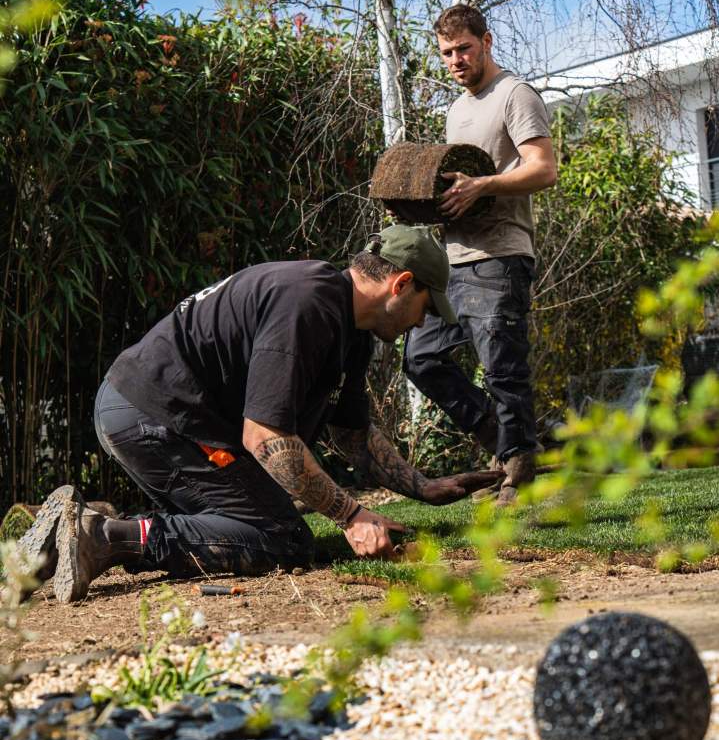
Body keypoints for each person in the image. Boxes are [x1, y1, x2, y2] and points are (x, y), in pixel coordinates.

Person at [21, 225, 499, 604]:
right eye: (424, 308)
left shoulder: (351, 327)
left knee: (256, 513)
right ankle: (102, 534)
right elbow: (265, 436)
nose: (421, 321)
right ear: (402, 283)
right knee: (279, 537)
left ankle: (51, 548)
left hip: (168, 417)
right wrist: (352, 516)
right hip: (153, 416)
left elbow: (352, 435)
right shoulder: (308, 303)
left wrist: (423, 487)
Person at [403, 3, 557, 506]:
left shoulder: (514, 95)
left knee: (502, 368)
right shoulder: (456, 110)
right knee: (421, 357)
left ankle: (518, 475)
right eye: (447, 53)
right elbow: (460, 184)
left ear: (486, 42)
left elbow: (544, 169)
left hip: (501, 255)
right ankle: (500, 439)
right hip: (453, 259)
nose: (455, 60)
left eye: (464, 49)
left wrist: (484, 184)